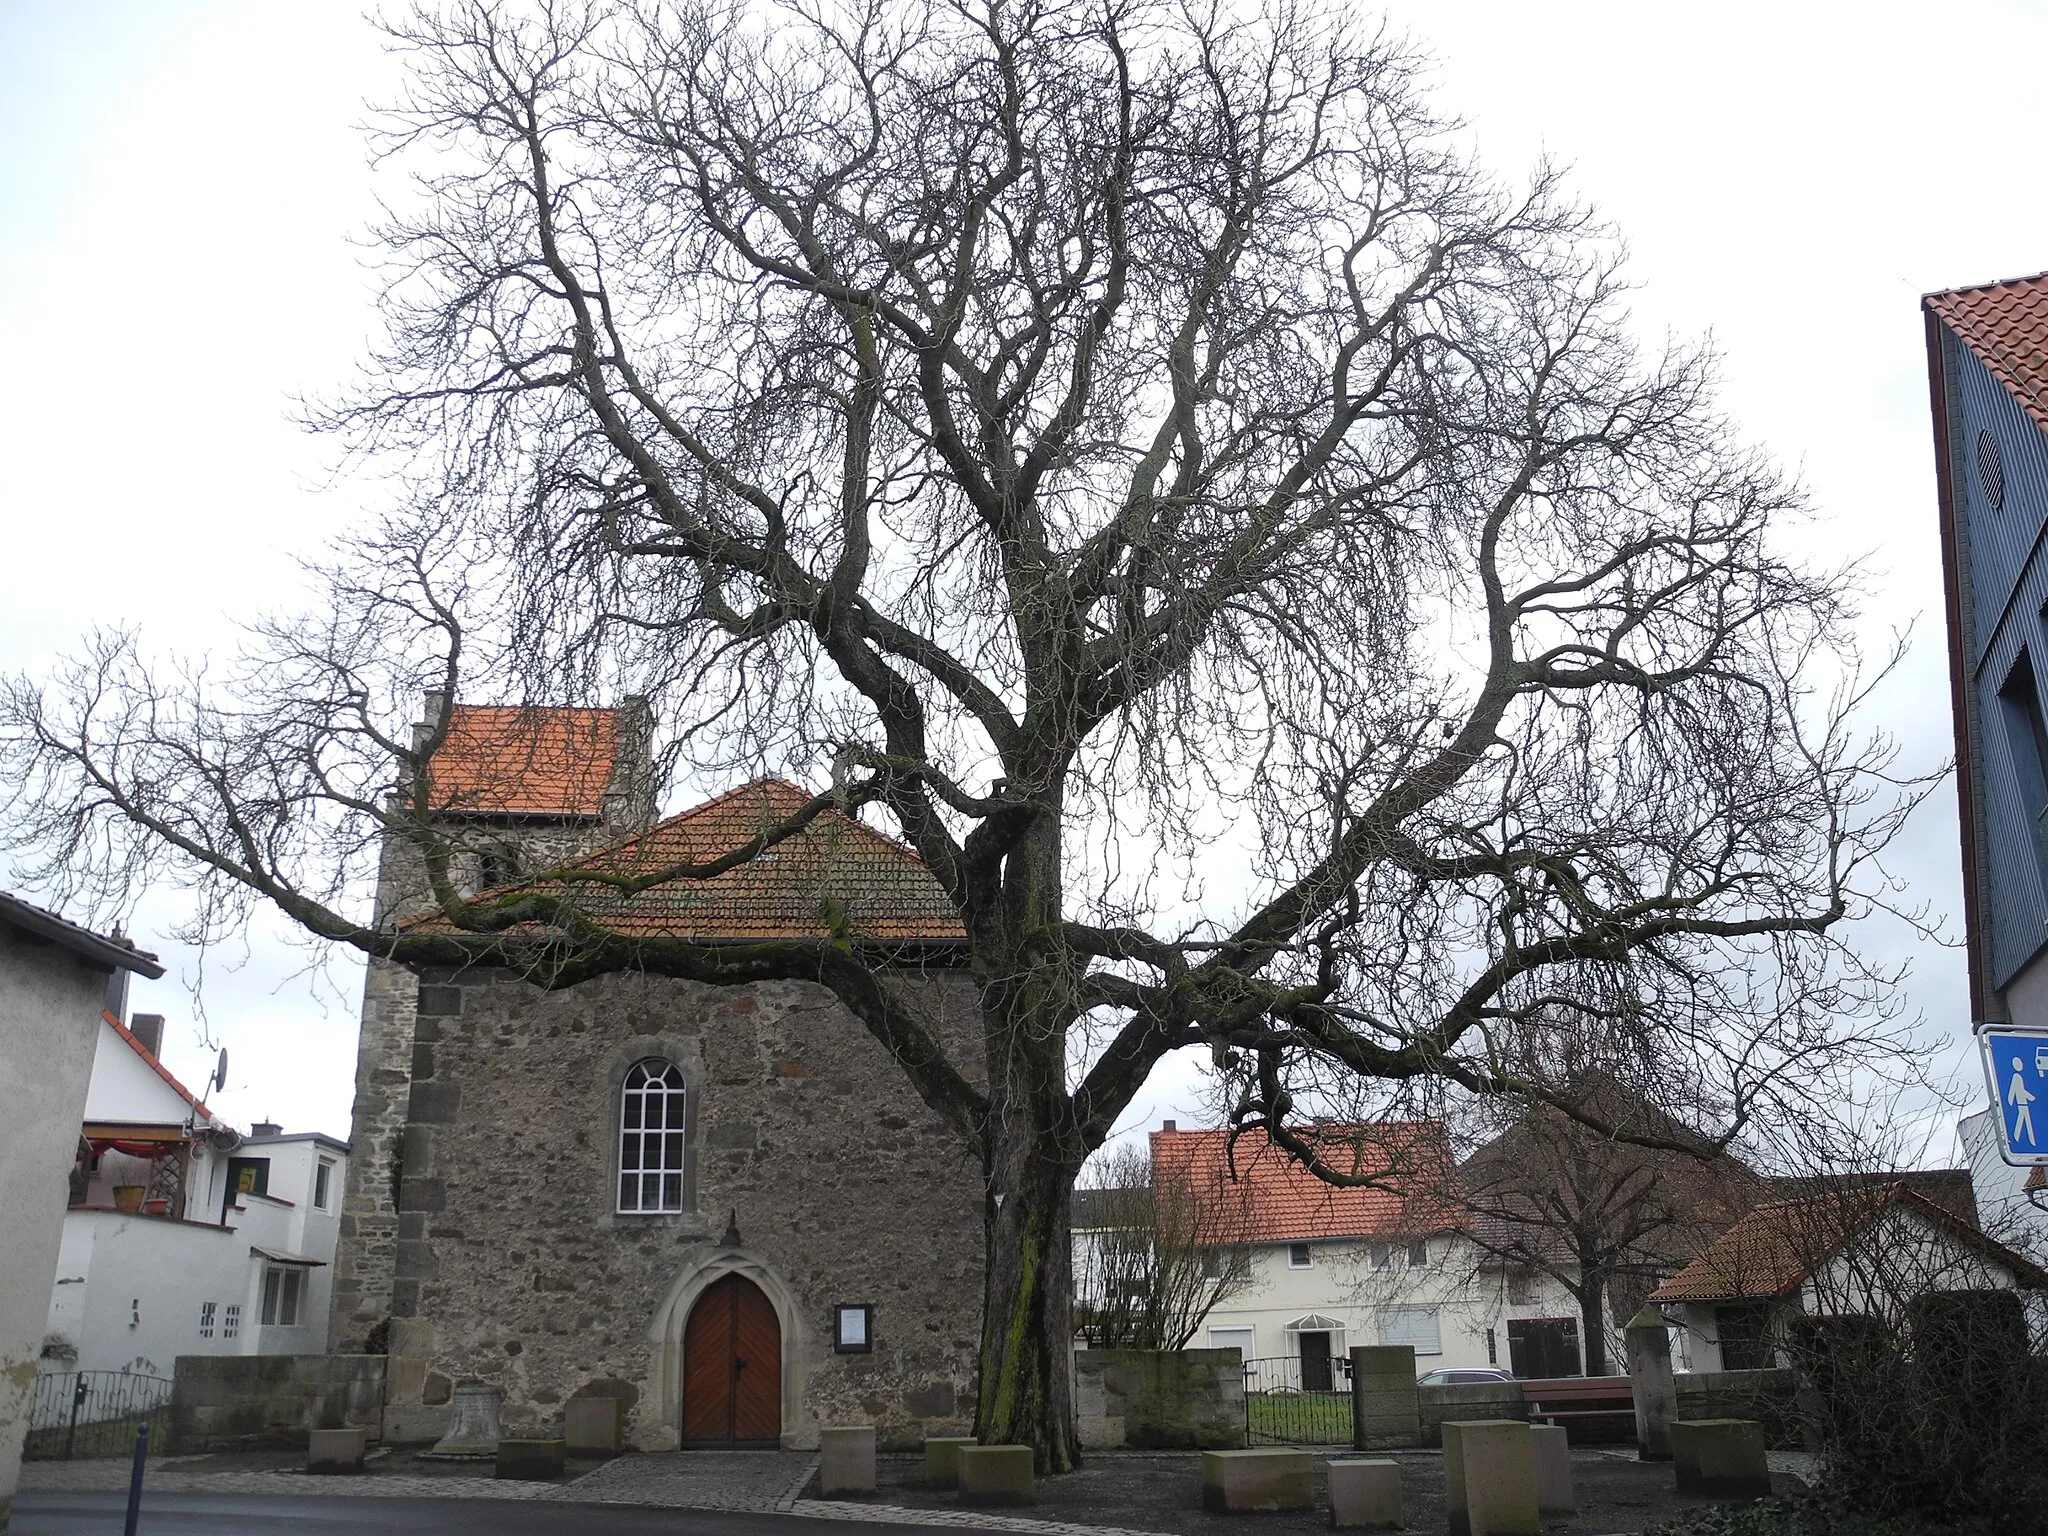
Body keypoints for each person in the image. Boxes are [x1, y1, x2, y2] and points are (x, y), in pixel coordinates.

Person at [2009, 1057, 2037, 1148]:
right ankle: (2022, 1139)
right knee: (2024, 1120)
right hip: (2021, 1104)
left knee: (2024, 1120)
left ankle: (2021, 1138)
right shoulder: (2016, 1077)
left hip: (2023, 1104)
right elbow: (2014, 1089)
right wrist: (2010, 1101)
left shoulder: (2019, 1077)